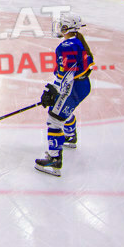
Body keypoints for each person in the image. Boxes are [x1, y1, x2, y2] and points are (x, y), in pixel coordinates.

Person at [36, 12, 95, 176]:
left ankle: (54, 160)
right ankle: (70, 136)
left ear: (66, 27)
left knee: (54, 119)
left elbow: (66, 75)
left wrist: (54, 91)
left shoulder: (66, 47)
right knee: (63, 111)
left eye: (61, 24)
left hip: (72, 87)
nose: (59, 27)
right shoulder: (77, 42)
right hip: (82, 85)